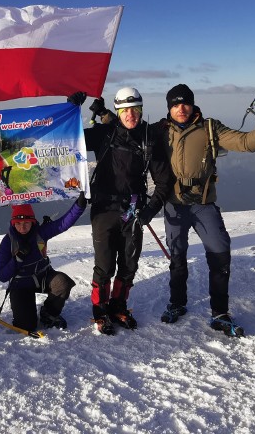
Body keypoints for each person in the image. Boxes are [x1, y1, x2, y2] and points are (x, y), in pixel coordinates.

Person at [155, 84, 255, 336]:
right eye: (175, 104)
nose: (181, 109)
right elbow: (129, 129)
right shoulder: (159, 131)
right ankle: (177, 304)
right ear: (169, 107)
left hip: (203, 204)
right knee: (177, 257)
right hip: (174, 205)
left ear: (192, 104)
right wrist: (105, 115)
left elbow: (245, 142)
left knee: (220, 253)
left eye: (185, 103)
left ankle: (220, 313)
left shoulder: (210, 128)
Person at [68, 89, 173, 335]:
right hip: (104, 209)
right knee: (104, 265)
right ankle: (100, 311)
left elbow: (164, 182)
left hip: (134, 211)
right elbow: (72, 140)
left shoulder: (149, 138)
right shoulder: (106, 133)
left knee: (128, 264)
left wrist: (149, 210)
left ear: (141, 110)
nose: (130, 115)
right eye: (125, 110)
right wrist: (72, 109)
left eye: (135, 109)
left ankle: (118, 307)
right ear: (118, 112)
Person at [0, 195, 86, 332]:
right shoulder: (7, 242)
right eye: (18, 223)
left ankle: (49, 313)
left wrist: (79, 205)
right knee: (26, 326)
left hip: (42, 277)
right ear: (13, 223)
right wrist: (17, 259)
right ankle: (26, 314)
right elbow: (2, 275)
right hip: (20, 284)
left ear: (33, 222)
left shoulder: (40, 233)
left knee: (62, 283)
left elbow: (63, 224)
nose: (22, 227)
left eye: (26, 222)